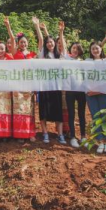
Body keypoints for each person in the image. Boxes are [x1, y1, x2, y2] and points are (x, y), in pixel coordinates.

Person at [33, 17, 66, 145]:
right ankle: (45, 133)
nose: (49, 44)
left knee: (57, 111)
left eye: (52, 42)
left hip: (56, 86)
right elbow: (41, 40)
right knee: (43, 110)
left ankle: (60, 134)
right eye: (48, 43)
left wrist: (61, 32)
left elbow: (62, 44)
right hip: (44, 86)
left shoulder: (60, 55)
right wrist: (37, 26)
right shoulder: (42, 55)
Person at [5, 17, 37, 143]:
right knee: (19, 110)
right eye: (21, 42)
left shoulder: (32, 54)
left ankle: (30, 133)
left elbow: (40, 42)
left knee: (29, 110)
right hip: (17, 85)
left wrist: (36, 26)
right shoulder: (15, 53)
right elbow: (12, 39)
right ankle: (20, 134)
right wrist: (8, 26)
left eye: (24, 42)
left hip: (29, 85)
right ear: (18, 44)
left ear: (27, 43)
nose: (23, 44)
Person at [60, 32, 87, 149]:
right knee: (71, 114)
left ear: (80, 50)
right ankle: (72, 137)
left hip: (81, 90)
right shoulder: (67, 58)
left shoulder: (83, 61)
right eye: (73, 48)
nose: (75, 50)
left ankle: (83, 136)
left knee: (81, 113)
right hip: (70, 90)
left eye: (77, 48)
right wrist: (62, 32)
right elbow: (63, 44)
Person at [86, 40, 106, 154]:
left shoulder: (105, 61)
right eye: (93, 49)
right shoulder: (87, 61)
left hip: (103, 94)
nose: (95, 50)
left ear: (101, 49)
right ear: (90, 51)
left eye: (97, 48)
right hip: (90, 94)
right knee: (96, 118)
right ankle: (100, 141)